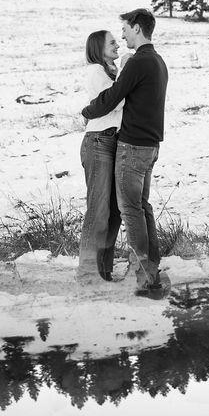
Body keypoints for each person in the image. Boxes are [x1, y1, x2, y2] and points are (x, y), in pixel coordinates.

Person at [81, 8, 168, 296]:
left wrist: (87, 111)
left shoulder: (136, 62)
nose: (123, 36)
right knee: (141, 207)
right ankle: (149, 266)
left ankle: (142, 274)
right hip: (150, 145)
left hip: (132, 146)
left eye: (126, 30)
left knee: (130, 210)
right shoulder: (157, 61)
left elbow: (112, 99)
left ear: (137, 28)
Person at [77, 29, 125, 282]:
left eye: (117, 40)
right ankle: (88, 271)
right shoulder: (96, 71)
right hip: (98, 141)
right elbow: (116, 101)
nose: (118, 44)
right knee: (98, 209)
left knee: (115, 210)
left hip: (115, 141)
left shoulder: (114, 73)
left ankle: (104, 270)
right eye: (112, 42)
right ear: (98, 48)